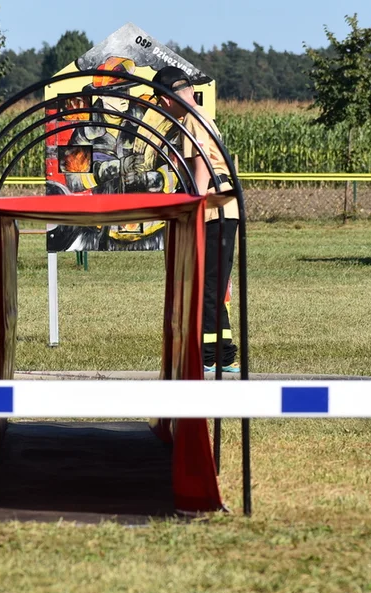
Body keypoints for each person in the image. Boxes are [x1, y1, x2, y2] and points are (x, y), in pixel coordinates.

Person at [153, 65, 238, 374]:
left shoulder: (191, 119)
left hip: (213, 210)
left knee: (205, 285)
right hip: (224, 208)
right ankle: (222, 353)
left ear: (164, 101)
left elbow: (200, 163)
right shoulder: (203, 114)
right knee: (215, 283)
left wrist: (194, 205)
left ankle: (205, 355)